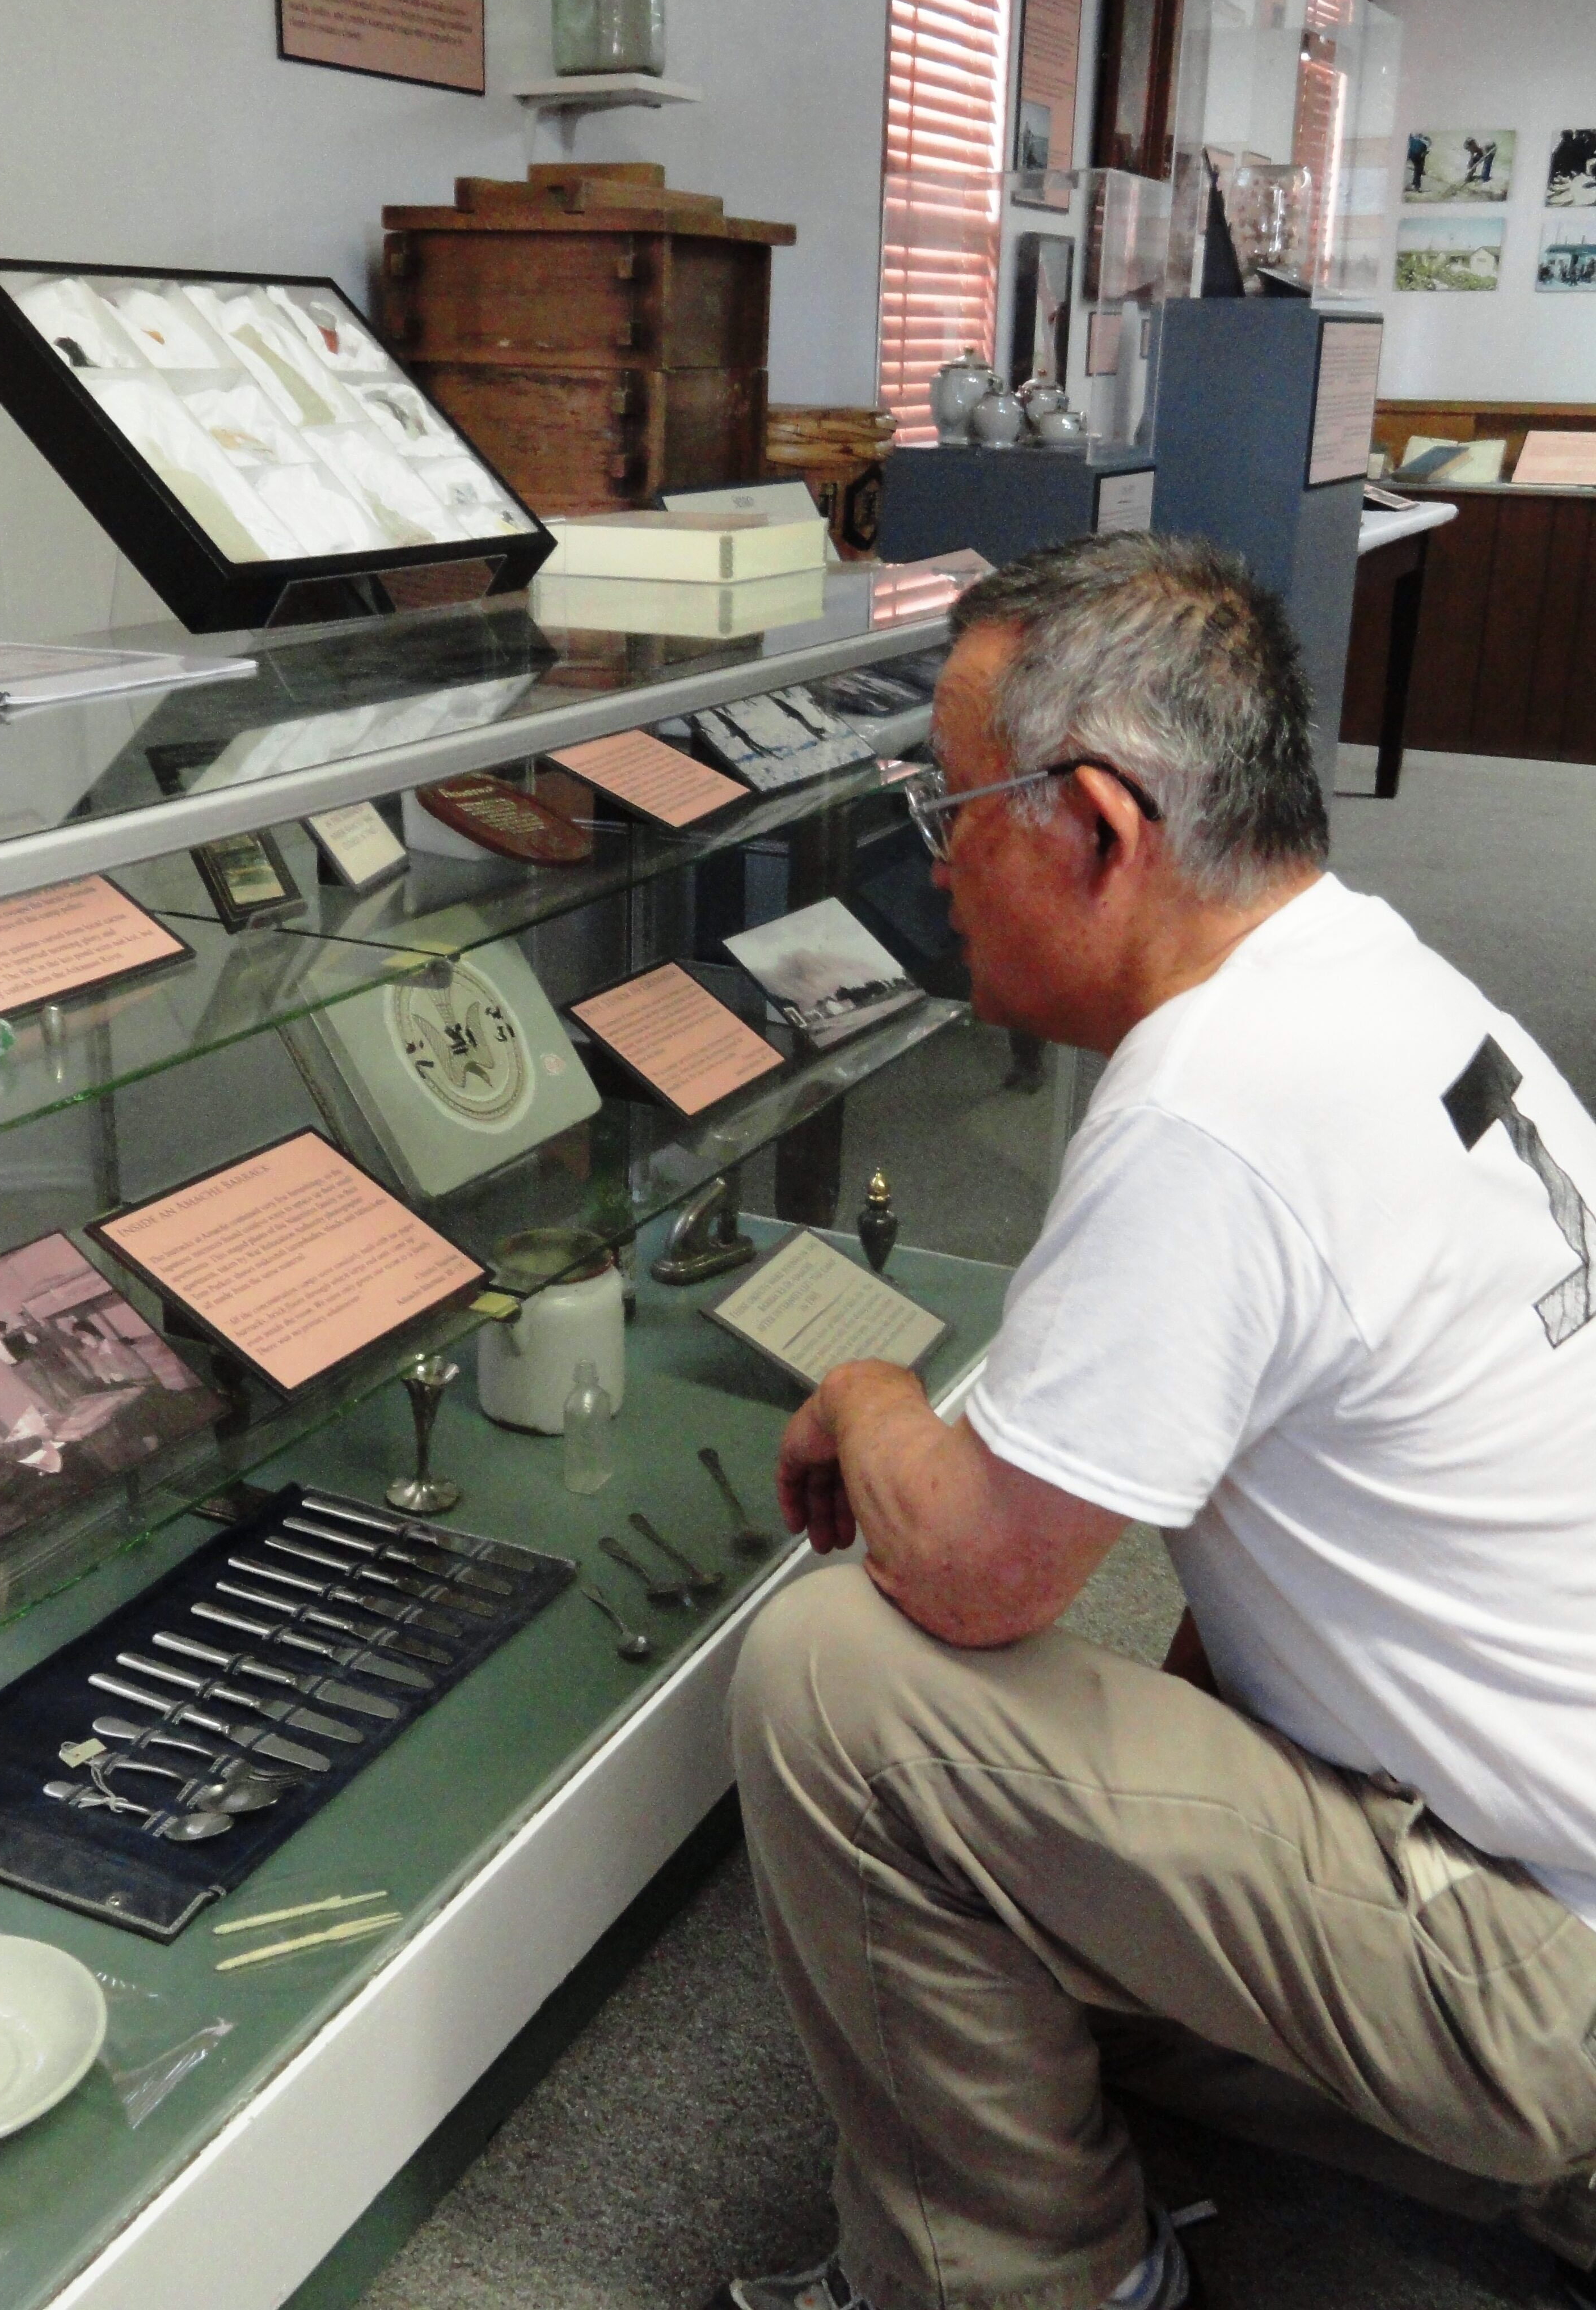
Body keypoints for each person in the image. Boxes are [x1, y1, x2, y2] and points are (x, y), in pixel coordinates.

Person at [720, 534, 1596, 2310]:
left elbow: (972, 1581)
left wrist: (875, 1389)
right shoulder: (1381, 976)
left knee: (838, 1681)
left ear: (1098, 827)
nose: (938, 855)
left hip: (1551, 1983)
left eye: (947, 798)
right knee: (1032, 1853)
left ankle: (1024, 2290)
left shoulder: (1218, 1105)